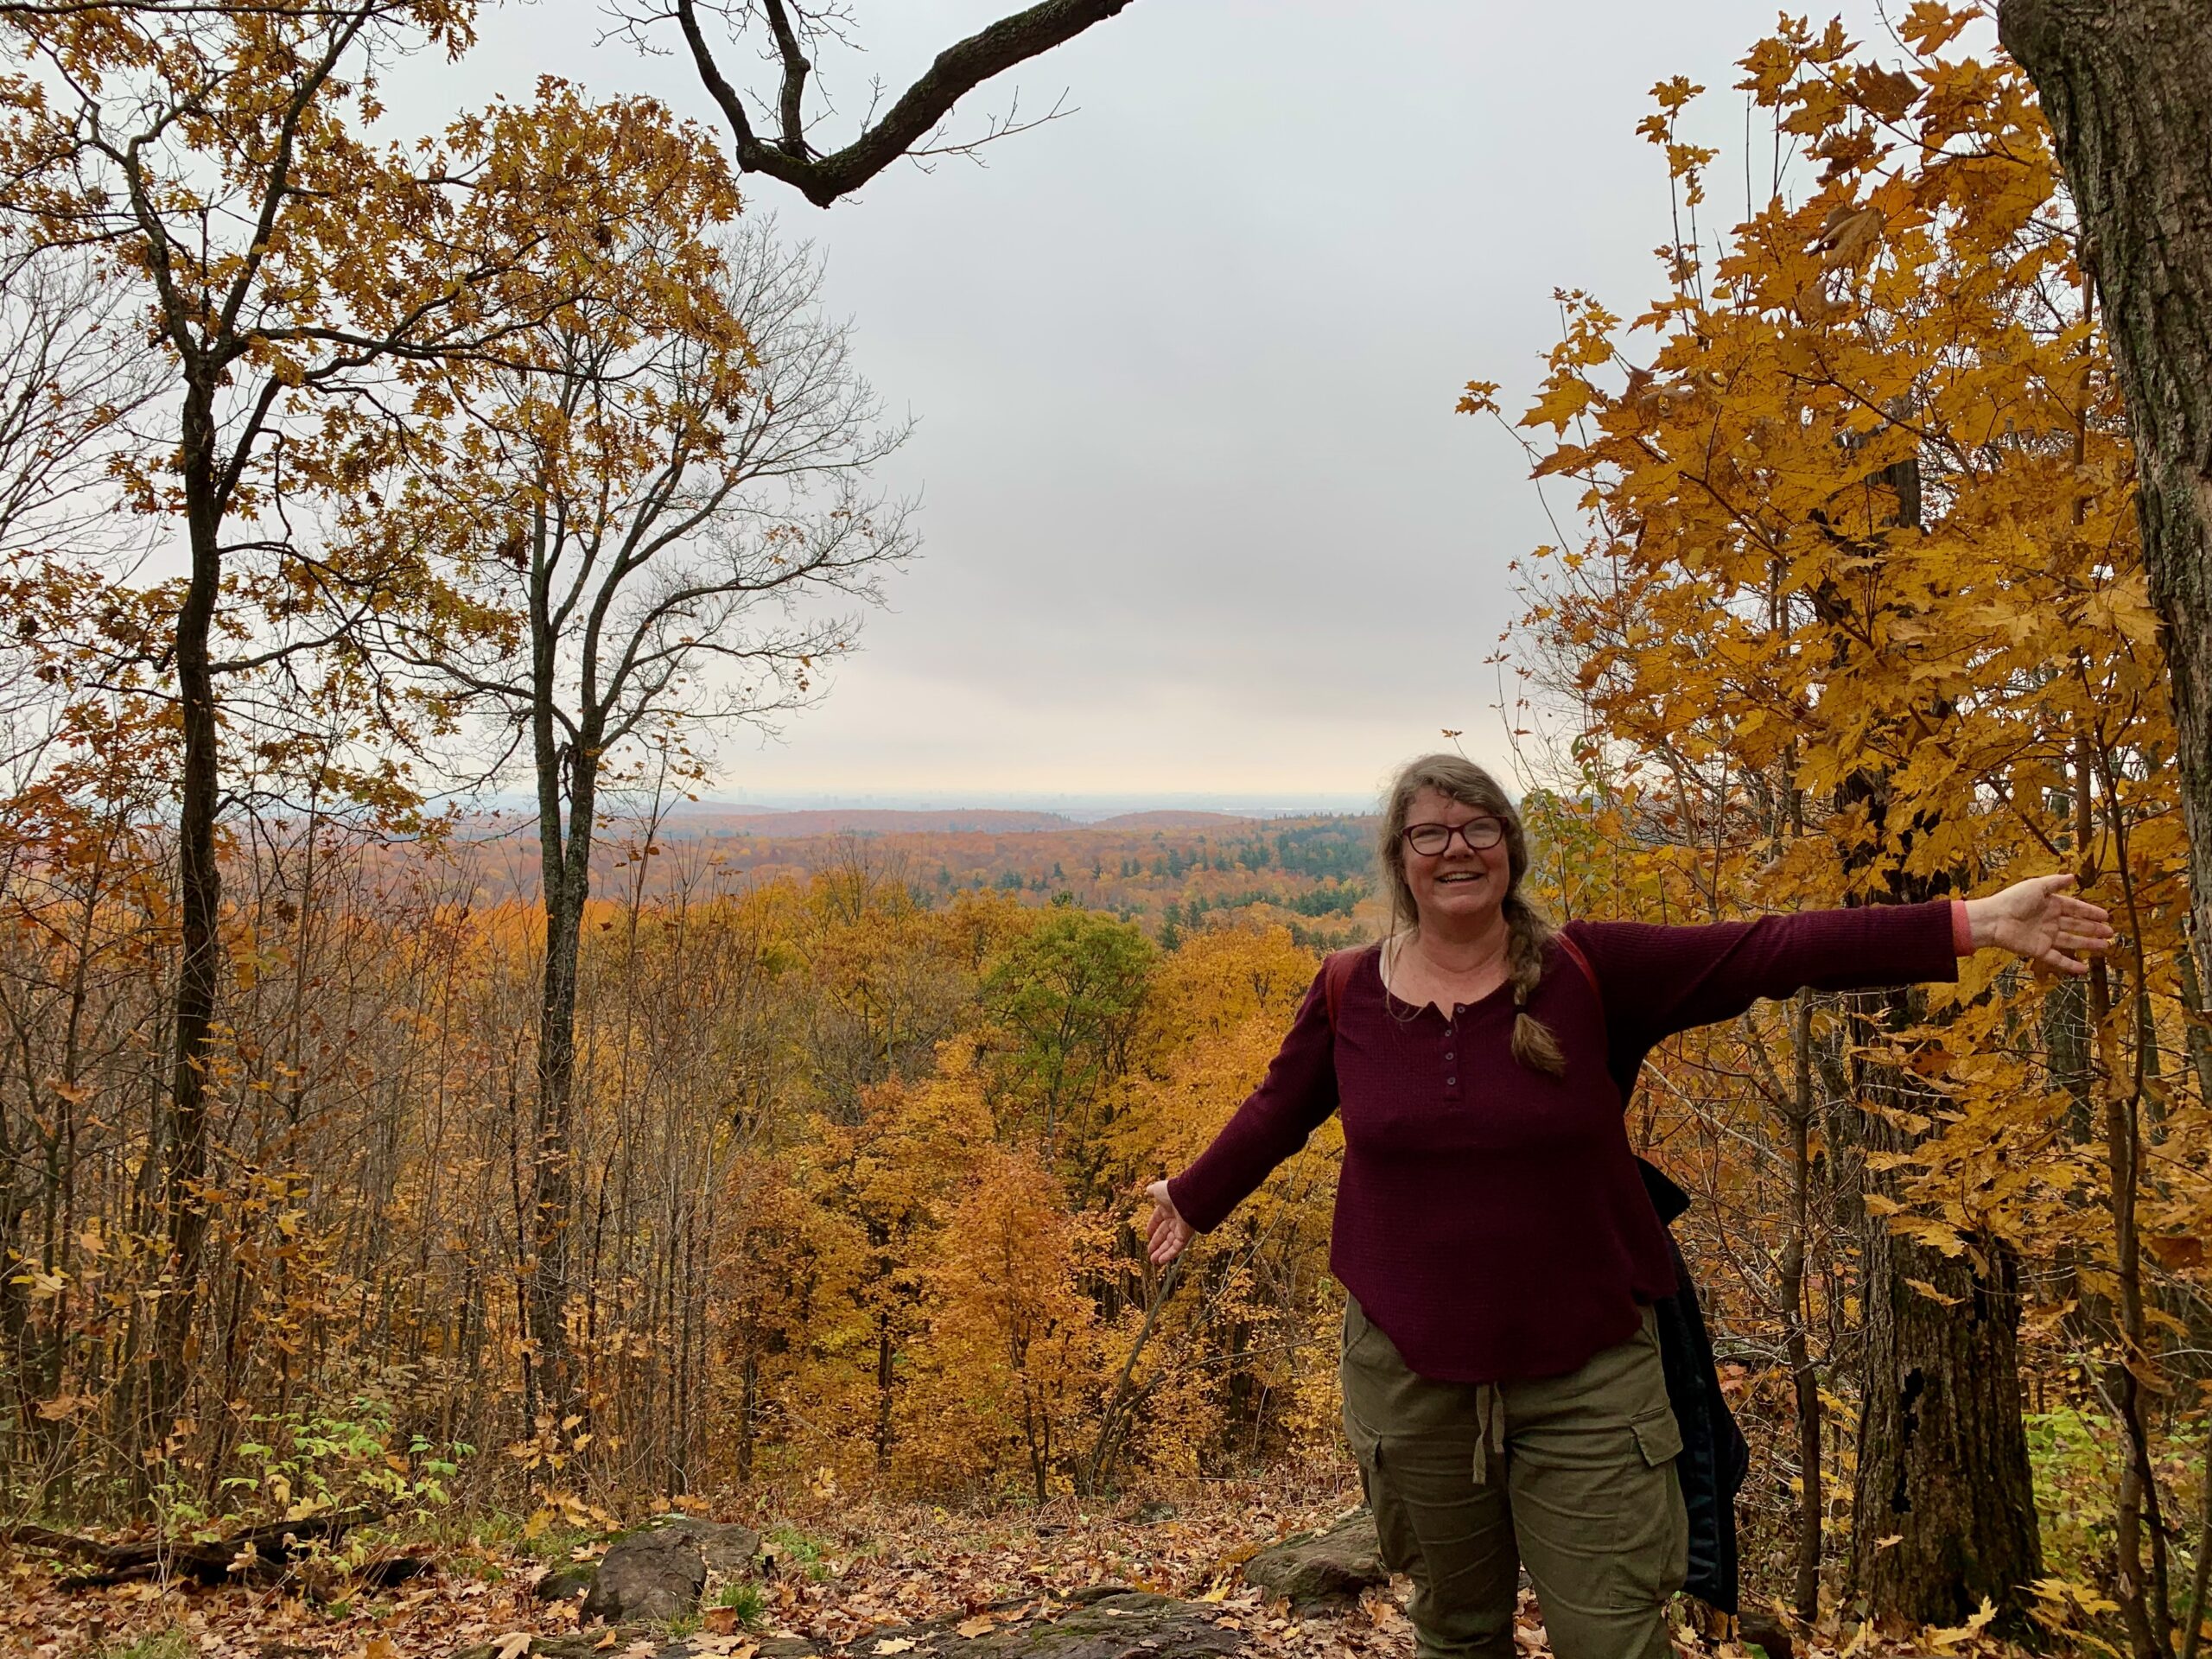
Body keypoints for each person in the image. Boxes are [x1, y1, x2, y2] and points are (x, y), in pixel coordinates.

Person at [1143, 753, 2112, 1659]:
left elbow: (1766, 950)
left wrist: (1971, 922)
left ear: (1510, 850)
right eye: (1429, 834)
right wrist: (1193, 1196)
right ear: (1400, 861)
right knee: (1454, 1629)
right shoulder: (1349, 986)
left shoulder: (1588, 971)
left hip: (1588, 1376)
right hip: (1408, 1375)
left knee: (1612, 1634)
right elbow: (1280, 1106)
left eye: (1479, 827)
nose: (1456, 849)